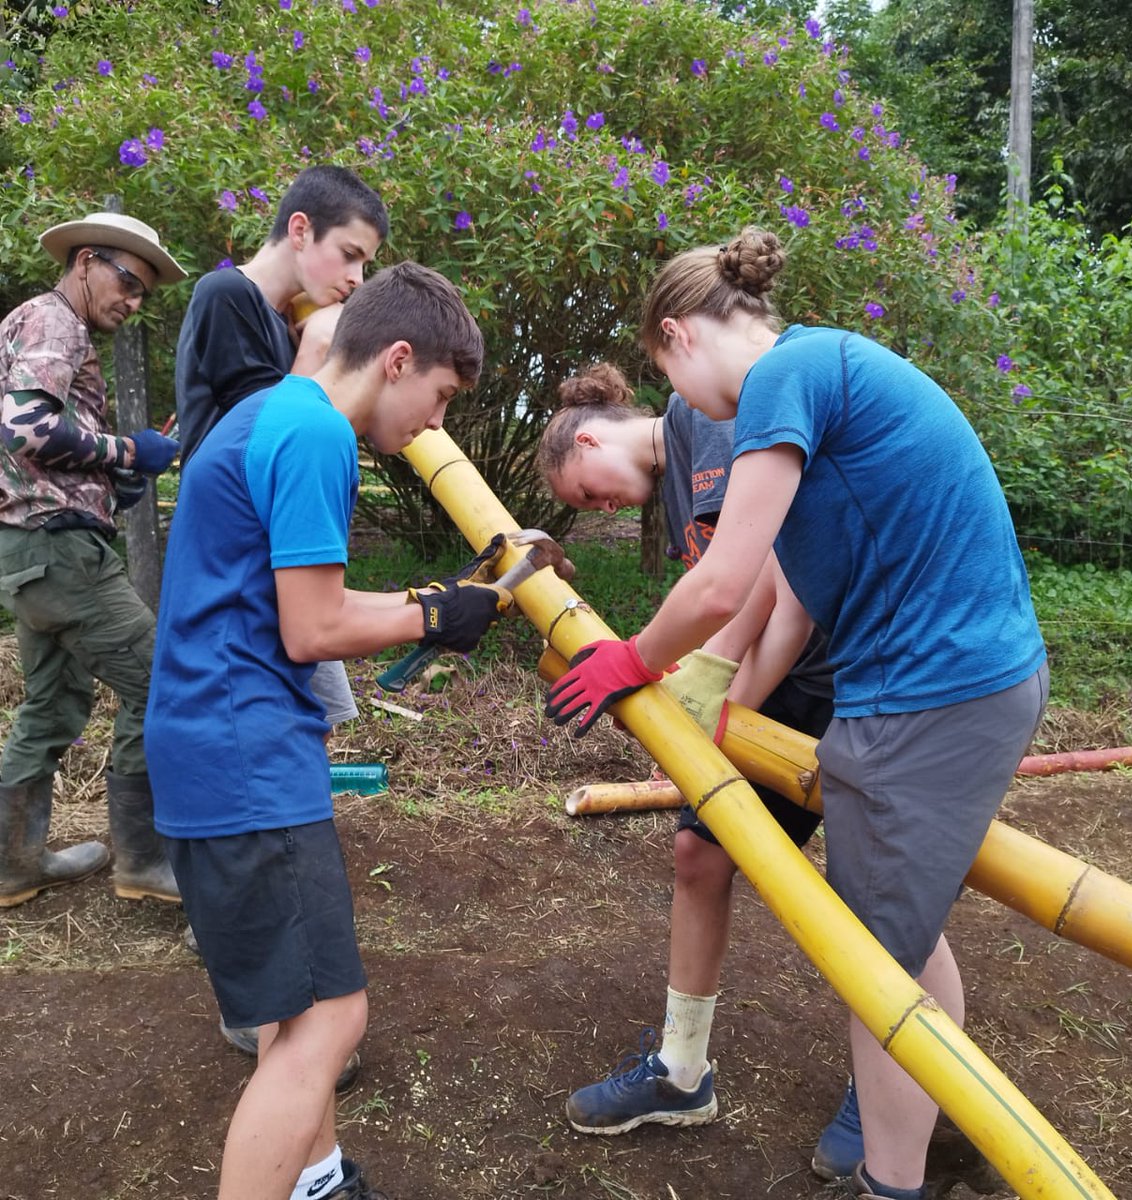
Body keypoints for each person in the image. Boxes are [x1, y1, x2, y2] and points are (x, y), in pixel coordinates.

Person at [546, 228, 1048, 1200]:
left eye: (670, 380)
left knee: (874, 967)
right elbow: (794, 594)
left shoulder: (788, 377)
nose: (687, 411)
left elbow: (724, 582)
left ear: (678, 337)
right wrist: (719, 696)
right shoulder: (819, 379)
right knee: (896, 929)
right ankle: (956, 1115)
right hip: (917, 689)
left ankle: (888, 1183)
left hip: (935, 694)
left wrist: (629, 661)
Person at [145, 261, 511, 1200]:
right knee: (331, 1022)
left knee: (290, 1003)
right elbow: (316, 631)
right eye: (437, 397)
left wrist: (441, 599)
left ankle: (318, 1180)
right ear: (396, 359)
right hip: (247, 754)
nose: (434, 424)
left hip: (210, 743)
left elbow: (309, 603)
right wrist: (438, 616)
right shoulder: (317, 435)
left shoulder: (269, 413)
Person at [536, 365, 865, 1177]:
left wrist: (713, 707)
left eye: (587, 493)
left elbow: (756, 583)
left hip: (836, 680)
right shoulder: (682, 469)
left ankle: (896, 1086)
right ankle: (683, 1071)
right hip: (772, 686)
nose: (601, 510)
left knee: (876, 889)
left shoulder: (705, 422)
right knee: (699, 853)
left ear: (588, 436)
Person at [174, 164, 389, 1065]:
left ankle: (278, 943)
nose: (354, 280)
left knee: (315, 715)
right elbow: (271, 425)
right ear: (297, 229)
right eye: (349, 255)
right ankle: (264, 990)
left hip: (260, 567)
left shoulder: (271, 320)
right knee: (270, 724)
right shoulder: (231, 297)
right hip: (238, 572)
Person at [0, 211, 186, 909]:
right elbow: (24, 427)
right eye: (128, 281)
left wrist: (112, 480)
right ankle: (143, 860)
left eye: (142, 293)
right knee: (162, 680)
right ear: (85, 261)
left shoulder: (32, 322)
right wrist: (129, 452)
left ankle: (15, 866)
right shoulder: (56, 323)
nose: (133, 301)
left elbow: (35, 446)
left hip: (29, 552)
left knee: (49, 708)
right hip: (62, 553)